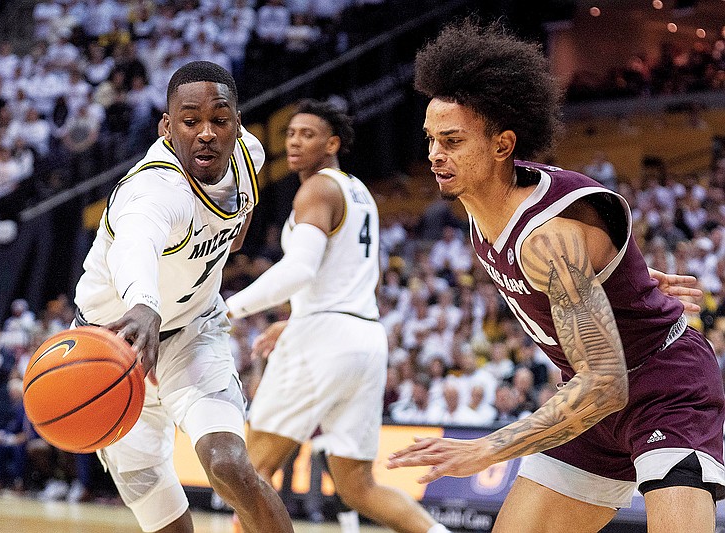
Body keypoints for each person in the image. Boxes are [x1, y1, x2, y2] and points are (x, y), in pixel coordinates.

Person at [387, 20, 725, 532]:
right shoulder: (483, 212)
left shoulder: (546, 236)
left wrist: (486, 448)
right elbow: (584, 267)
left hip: (661, 386)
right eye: (432, 138)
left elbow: (606, 382)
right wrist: (628, 275)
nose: (435, 155)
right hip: (587, 400)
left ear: (502, 145)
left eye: (452, 141)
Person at [73, 61, 293, 533]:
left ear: (237, 121)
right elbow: (136, 245)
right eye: (191, 121)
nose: (207, 133)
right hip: (113, 347)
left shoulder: (249, 154)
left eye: (219, 119)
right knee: (165, 520)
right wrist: (144, 305)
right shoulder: (154, 188)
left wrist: (225, 245)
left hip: (192, 334)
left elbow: (237, 226)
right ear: (167, 128)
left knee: (229, 465)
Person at [225, 99, 450, 533]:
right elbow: (351, 274)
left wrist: (229, 307)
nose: (294, 141)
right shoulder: (358, 192)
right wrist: (297, 318)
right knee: (359, 487)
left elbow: (301, 268)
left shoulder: (317, 189)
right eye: (290, 133)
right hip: (363, 338)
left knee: (247, 474)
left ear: (333, 143)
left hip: (325, 340)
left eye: (307, 134)